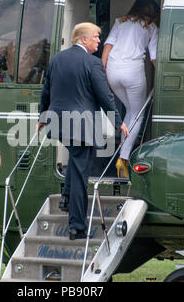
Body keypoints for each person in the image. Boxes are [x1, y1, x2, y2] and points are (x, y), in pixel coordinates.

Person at [38, 22, 129, 240]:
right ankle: (76, 228)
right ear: (83, 39)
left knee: (76, 160)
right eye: (97, 37)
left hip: (60, 124)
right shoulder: (93, 63)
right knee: (81, 174)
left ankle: (66, 198)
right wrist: (118, 121)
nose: (100, 40)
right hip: (82, 126)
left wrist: (42, 116)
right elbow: (105, 96)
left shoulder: (57, 59)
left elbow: (46, 90)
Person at [101, 0, 159, 178]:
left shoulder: (120, 22)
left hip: (113, 70)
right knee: (138, 114)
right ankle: (123, 160)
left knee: (130, 111)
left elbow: (107, 48)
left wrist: (102, 73)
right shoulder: (151, 28)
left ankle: (122, 154)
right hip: (133, 72)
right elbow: (154, 58)